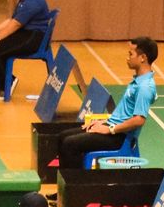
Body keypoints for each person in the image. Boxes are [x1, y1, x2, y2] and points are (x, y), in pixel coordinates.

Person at [55, 37, 157, 175]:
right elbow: (124, 114)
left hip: (119, 137)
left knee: (70, 144)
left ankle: (76, 185)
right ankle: (65, 184)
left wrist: (110, 129)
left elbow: (139, 120)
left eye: (131, 54)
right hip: (113, 129)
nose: (127, 58)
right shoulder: (138, 81)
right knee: (63, 137)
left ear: (143, 57)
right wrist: (104, 122)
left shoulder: (145, 87)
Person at [0, 0, 54, 99]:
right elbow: (11, 20)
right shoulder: (23, 1)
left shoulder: (33, 2)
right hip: (25, 33)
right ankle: (8, 81)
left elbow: (16, 24)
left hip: (34, 38)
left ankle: (6, 85)